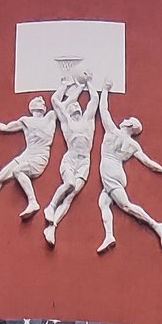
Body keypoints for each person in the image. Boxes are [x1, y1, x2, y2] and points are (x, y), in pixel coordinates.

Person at [95, 80, 162, 252]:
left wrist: (105, 90)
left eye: (127, 119)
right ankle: (109, 235)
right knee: (104, 203)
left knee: (126, 206)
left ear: (129, 125)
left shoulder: (112, 131)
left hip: (111, 174)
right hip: (114, 174)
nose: (124, 119)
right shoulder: (132, 145)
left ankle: (156, 225)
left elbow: (103, 110)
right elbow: (150, 164)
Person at [41, 73, 100, 247]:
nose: (74, 107)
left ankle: (52, 227)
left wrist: (89, 83)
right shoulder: (67, 122)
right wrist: (66, 86)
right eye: (71, 106)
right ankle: (50, 207)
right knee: (70, 185)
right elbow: (55, 102)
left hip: (84, 162)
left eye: (76, 105)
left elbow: (94, 101)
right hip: (70, 159)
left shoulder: (88, 120)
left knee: (70, 196)